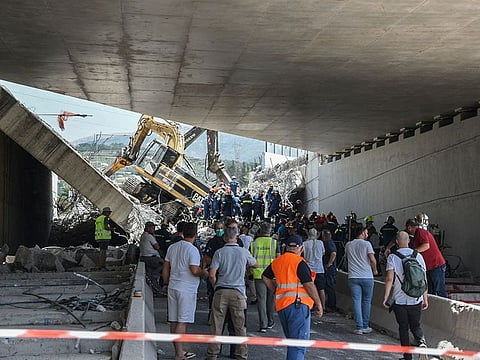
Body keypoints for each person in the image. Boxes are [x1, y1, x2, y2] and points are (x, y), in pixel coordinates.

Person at [262, 235, 323, 360]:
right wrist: (318, 303)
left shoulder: (277, 261)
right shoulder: (299, 263)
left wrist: (275, 290)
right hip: (298, 306)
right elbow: (309, 285)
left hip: (283, 306)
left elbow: (265, 277)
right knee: (298, 345)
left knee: (292, 342)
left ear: (286, 247)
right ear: (301, 248)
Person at [206, 226, 259, 360]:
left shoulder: (219, 252)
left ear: (224, 237)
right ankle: (241, 354)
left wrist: (215, 286)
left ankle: (213, 354)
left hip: (221, 292)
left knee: (216, 325)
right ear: (237, 237)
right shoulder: (243, 252)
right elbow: (256, 264)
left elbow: (212, 274)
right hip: (238, 292)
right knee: (240, 326)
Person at [162, 222, 208, 360]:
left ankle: (178, 352)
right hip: (186, 289)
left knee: (174, 321)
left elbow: (166, 268)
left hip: (173, 286)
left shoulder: (172, 247)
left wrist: (165, 283)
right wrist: (204, 273)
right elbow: (194, 270)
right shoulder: (192, 250)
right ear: (195, 234)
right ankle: (179, 354)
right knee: (182, 321)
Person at [383, 231, 428, 360]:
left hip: (400, 300)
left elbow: (389, 279)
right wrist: (425, 298)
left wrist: (386, 297)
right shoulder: (418, 256)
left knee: (403, 328)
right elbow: (423, 279)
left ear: (397, 242)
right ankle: (421, 343)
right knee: (416, 326)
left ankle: (407, 357)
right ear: (409, 241)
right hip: (416, 298)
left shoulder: (392, 257)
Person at [345, 226, 378, 334]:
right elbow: (372, 259)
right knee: (367, 301)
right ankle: (365, 325)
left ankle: (359, 327)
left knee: (356, 301)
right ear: (363, 232)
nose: (367, 235)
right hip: (367, 276)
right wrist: (375, 270)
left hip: (353, 276)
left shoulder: (348, 245)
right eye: (366, 233)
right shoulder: (367, 244)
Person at [405, 218, 448, 297]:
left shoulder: (420, 232)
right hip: (429, 266)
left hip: (436, 265)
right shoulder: (417, 235)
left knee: (439, 289)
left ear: (409, 227)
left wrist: (413, 252)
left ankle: (444, 307)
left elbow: (426, 246)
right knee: (430, 290)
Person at [250, 222, 279, 333]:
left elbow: (250, 259)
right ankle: (270, 321)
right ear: (270, 231)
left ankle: (263, 324)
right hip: (272, 276)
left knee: (261, 300)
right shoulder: (275, 243)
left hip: (258, 275)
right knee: (270, 300)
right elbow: (278, 259)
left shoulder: (254, 243)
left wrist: (250, 272)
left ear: (260, 231)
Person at [302, 228, 326, 310]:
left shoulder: (305, 243)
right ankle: (323, 306)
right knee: (321, 289)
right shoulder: (320, 243)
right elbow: (323, 253)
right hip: (319, 269)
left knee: (309, 288)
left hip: (309, 269)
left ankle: (310, 305)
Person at [139, 221, 164, 291]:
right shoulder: (149, 236)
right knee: (165, 266)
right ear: (148, 228)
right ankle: (154, 275)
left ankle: (155, 287)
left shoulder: (143, 235)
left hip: (145, 257)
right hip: (151, 258)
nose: (154, 230)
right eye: (153, 228)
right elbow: (157, 247)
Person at [321, 229, 338, 312]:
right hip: (330, 268)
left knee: (330, 286)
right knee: (328, 286)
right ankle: (330, 303)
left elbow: (333, 253)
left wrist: (329, 263)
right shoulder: (329, 243)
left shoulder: (328, 243)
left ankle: (332, 305)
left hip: (330, 269)